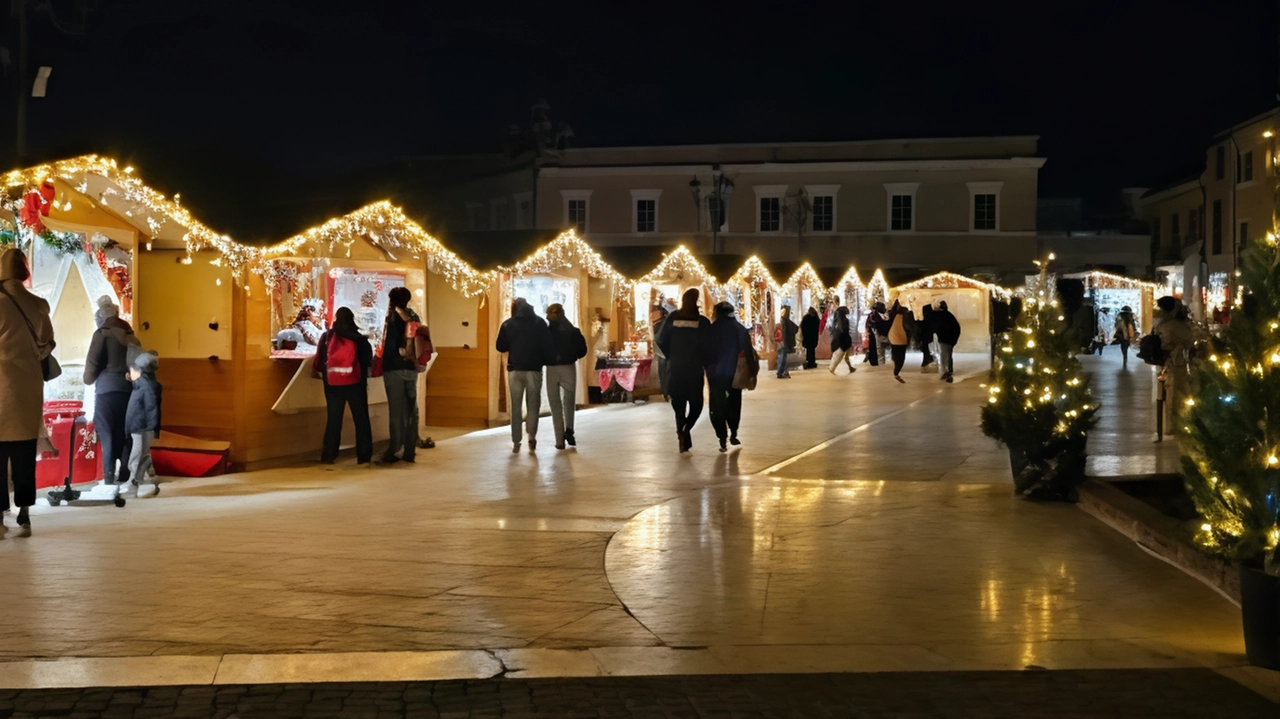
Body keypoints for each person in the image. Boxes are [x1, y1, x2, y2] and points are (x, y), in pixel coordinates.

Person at [0, 248, 53, 537]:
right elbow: (47, 344)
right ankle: (25, 515)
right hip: (29, 387)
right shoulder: (39, 304)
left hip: (0, 387)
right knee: (23, 455)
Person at [85, 294, 142, 485]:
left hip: (106, 390)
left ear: (101, 316)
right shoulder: (131, 336)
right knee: (125, 432)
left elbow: (90, 371)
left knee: (107, 431)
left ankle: (109, 474)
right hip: (129, 391)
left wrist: (91, 378)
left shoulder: (101, 334)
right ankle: (125, 471)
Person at [314, 307, 374, 464]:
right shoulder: (359, 339)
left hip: (332, 384)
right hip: (356, 384)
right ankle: (364, 455)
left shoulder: (326, 337)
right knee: (361, 419)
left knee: (334, 419)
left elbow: (319, 362)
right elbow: (368, 359)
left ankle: (329, 454)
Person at [496, 298, 555, 453]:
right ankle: (532, 437)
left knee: (516, 405)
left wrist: (513, 344)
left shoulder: (508, 324)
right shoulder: (540, 323)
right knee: (533, 404)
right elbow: (548, 346)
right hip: (534, 369)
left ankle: (516, 441)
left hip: (515, 369)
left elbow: (500, 346)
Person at [657, 288, 711, 453]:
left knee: (678, 405)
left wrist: (671, 356)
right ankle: (686, 430)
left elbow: (660, 340)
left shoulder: (672, 318)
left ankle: (681, 434)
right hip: (694, 370)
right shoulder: (702, 321)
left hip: (676, 369)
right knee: (697, 404)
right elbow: (709, 346)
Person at [378, 287, 420, 464]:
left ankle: (394, 449)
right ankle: (410, 450)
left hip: (393, 368)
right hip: (411, 368)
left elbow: (389, 345)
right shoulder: (413, 317)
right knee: (410, 410)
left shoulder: (392, 318)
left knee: (396, 412)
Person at [707, 302, 751, 452]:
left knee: (717, 404)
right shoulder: (740, 329)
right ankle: (733, 432)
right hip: (735, 373)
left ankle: (721, 438)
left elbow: (705, 352)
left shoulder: (711, 330)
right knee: (734, 402)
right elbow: (748, 352)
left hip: (715, 374)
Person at [545, 303, 588, 450]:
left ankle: (559, 440)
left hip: (551, 368)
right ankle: (569, 430)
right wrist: (572, 356)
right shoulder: (573, 331)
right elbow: (583, 350)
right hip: (568, 367)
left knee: (555, 403)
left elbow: (541, 349)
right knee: (569, 401)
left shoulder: (546, 333)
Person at [1154, 296, 1194, 435]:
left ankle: (1172, 425)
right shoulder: (1176, 325)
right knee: (1177, 395)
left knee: (1170, 395)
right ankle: (1176, 425)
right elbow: (1190, 340)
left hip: (1164, 364)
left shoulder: (1161, 324)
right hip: (1176, 364)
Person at [124, 351, 163, 490]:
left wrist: (129, 427)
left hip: (139, 425)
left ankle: (134, 479)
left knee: (137, 452)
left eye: (132, 370)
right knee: (143, 451)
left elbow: (144, 408)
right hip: (147, 426)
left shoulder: (143, 387)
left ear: (139, 372)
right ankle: (140, 475)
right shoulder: (151, 385)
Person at [933, 300, 961, 383]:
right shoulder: (949, 315)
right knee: (948, 355)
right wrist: (954, 339)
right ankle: (949, 370)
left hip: (944, 339)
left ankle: (944, 372)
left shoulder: (939, 316)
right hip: (951, 340)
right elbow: (957, 328)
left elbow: (936, 326)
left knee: (943, 356)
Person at [650, 303, 670, 399]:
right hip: (664, 351)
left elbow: (658, 339)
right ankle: (666, 392)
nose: (652, 314)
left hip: (663, 351)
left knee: (664, 371)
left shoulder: (660, 324)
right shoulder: (658, 323)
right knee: (665, 371)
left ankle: (666, 392)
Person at [887, 299, 911, 383]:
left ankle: (896, 370)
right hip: (901, 339)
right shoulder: (905, 316)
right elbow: (908, 327)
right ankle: (896, 373)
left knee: (896, 355)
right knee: (901, 358)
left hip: (892, 337)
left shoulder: (893, 314)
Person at [828, 306, 856, 375]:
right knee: (837, 360)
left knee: (842, 357)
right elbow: (844, 332)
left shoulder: (836, 322)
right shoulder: (844, 321)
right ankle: (849, 368)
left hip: (840, 342)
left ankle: (850, 368)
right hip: (842, 343)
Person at [776, 305, 798, 379]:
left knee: (782, 357)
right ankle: (781, 372)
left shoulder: (783, 321)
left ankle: (783, 371)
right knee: (783, 357)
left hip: (781, 341)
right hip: (784, 341)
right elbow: (795, 329)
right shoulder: (786, 321)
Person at [917, 303, 936, 370]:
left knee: (925, 348)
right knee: (928, 348)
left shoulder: (922, 318)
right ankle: (928, 358)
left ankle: (927, 359)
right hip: (929, 335)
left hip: (924, 335)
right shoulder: (931, 317)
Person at [871, 301, 890, 366]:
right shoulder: (875, 315)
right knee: (879, 348)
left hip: (884, 333)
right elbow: (877, 324)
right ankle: (881, 363)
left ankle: (882, 362)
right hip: (879, 333)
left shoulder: (884, 314)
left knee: (881, 348)